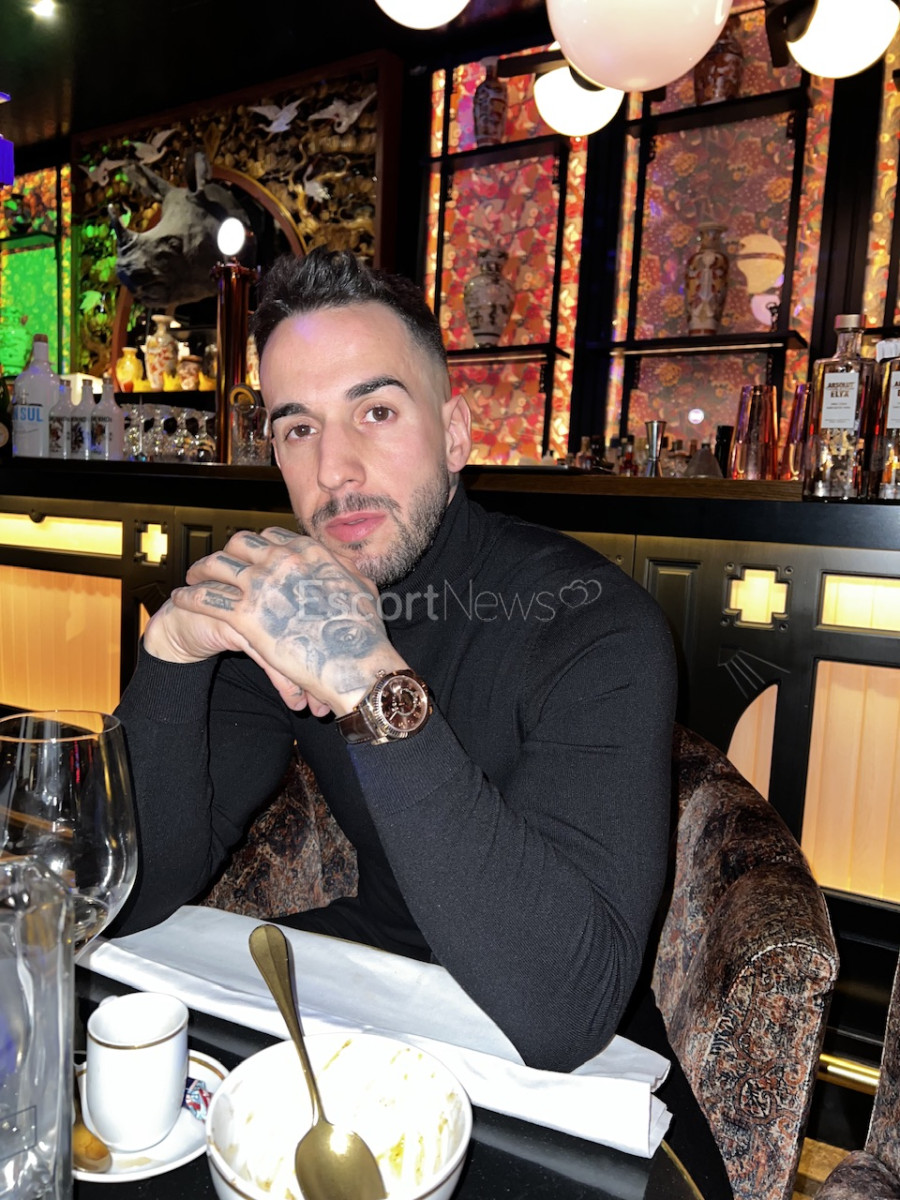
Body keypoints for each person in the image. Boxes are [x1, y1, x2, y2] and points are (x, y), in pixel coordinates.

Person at [112, 247, 731, 1197]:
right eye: (297, 427)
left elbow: (563, 1007)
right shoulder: (285, 603)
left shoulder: (594, 625)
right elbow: (129, 889)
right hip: (361, 1013)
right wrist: (170, 656)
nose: (335, 469)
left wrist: (367, 678)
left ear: (454, 433)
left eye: (376, 411)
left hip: (561, 1081)